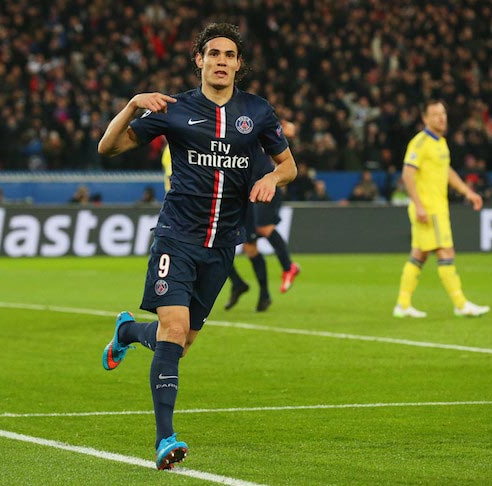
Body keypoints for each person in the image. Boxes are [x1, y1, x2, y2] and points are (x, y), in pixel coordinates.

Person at [97, 23, 297, 470]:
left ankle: (128, 331)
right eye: (214, 54)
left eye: (229, 54)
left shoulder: (258, 113)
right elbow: (107, 147)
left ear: (239, 64)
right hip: (177, 236)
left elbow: (289, 168)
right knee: (171, 332)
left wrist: (270, 176)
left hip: (223, 244)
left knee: (181, 344)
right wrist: (131, 105)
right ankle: (165, 440)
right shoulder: (174, 110)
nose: (221, 61)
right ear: (199, 60)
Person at [393, 100, 490, 318]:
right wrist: (418, 205)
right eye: (435, 114)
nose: (441, 118)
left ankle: (402, 304)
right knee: (446, 251)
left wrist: (468, 192)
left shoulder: (441, 143)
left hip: (436, 208)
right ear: (425, 119)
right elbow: (407, 174)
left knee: (419, 254)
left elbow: (447, 172)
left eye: (443, 113)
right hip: (428, 209)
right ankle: (461, 304)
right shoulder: (420, 143)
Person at [225, 120, 301, 312]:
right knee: (250, 247)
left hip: (266, 186)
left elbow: (282, 150)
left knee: (263, 227)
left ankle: (288, 266)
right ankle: (264, 295)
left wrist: (287, 134)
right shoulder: (233, 140)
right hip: (248, 193)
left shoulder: (257, 129)